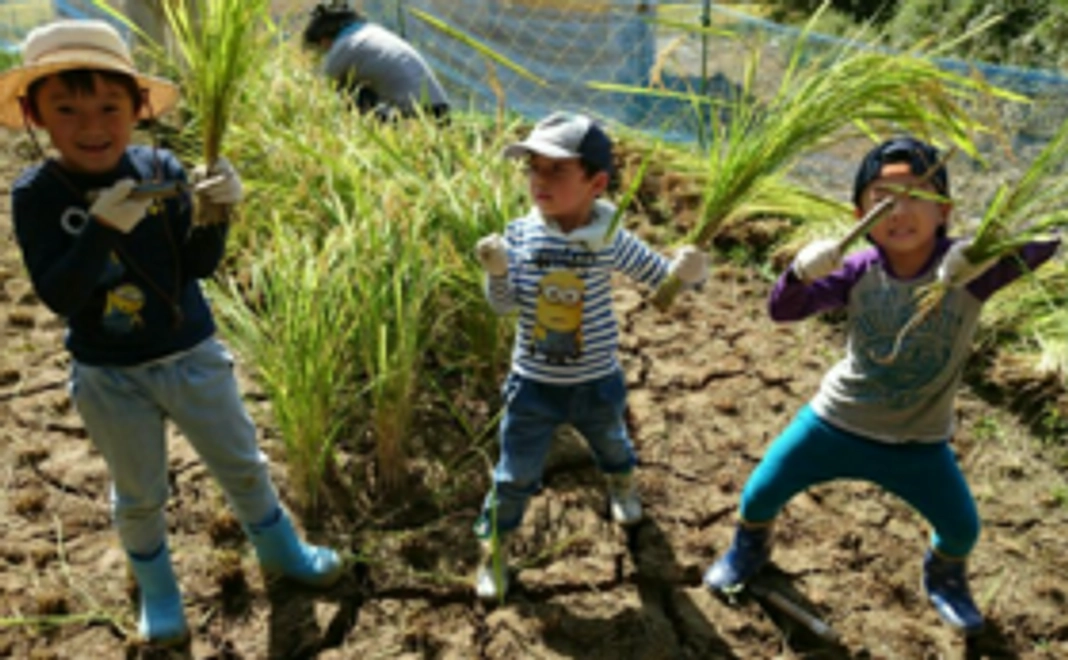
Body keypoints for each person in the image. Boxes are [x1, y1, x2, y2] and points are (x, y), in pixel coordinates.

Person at [0, 19, 344, 647]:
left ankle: (281, 551)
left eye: (109, 105)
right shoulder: (38, 194)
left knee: (241, 462)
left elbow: (195, 268)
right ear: (35, 114)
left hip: (191, 356)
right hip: (109, 376)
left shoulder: (160, 165)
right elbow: (59, 296)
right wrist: (101, 228)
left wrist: (217, 215)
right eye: (66, 108)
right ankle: (159, 592)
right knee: (138, 492)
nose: (91, 124)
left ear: (137, 107)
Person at [703, 136, 1060, 635]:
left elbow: (1047, 242)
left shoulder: (970, 274)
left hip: (919, 442)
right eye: (882, 199)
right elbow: (783, 311)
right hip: (835, 423)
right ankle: (750, 548)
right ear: (860, 215)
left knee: (961, 530)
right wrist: (799, 272)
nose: (900, 210)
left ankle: (945, 577)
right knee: (759, 495)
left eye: (919, 194)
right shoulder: (857, 269)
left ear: (945, 212)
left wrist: (992, 250)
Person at [471, 111, 709, 600]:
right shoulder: (519, 234)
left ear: (596, 182)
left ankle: (621, 486)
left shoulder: (608, 236)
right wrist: (497, 271)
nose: (540, 180)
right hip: (532, 384)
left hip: (596, 379)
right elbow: (504, 305)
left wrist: (687, 272)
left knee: (613, 445)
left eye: (556, 169)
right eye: (533, 168)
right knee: (514, 474)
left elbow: (657, 276)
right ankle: (495, 551)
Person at [302, 1, 450, 121]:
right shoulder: (368, 32)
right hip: (439, 111)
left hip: (420, 118)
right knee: (359, 88)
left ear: (324, 39)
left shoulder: (344, 46)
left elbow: (318, 90)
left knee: (345, 91)